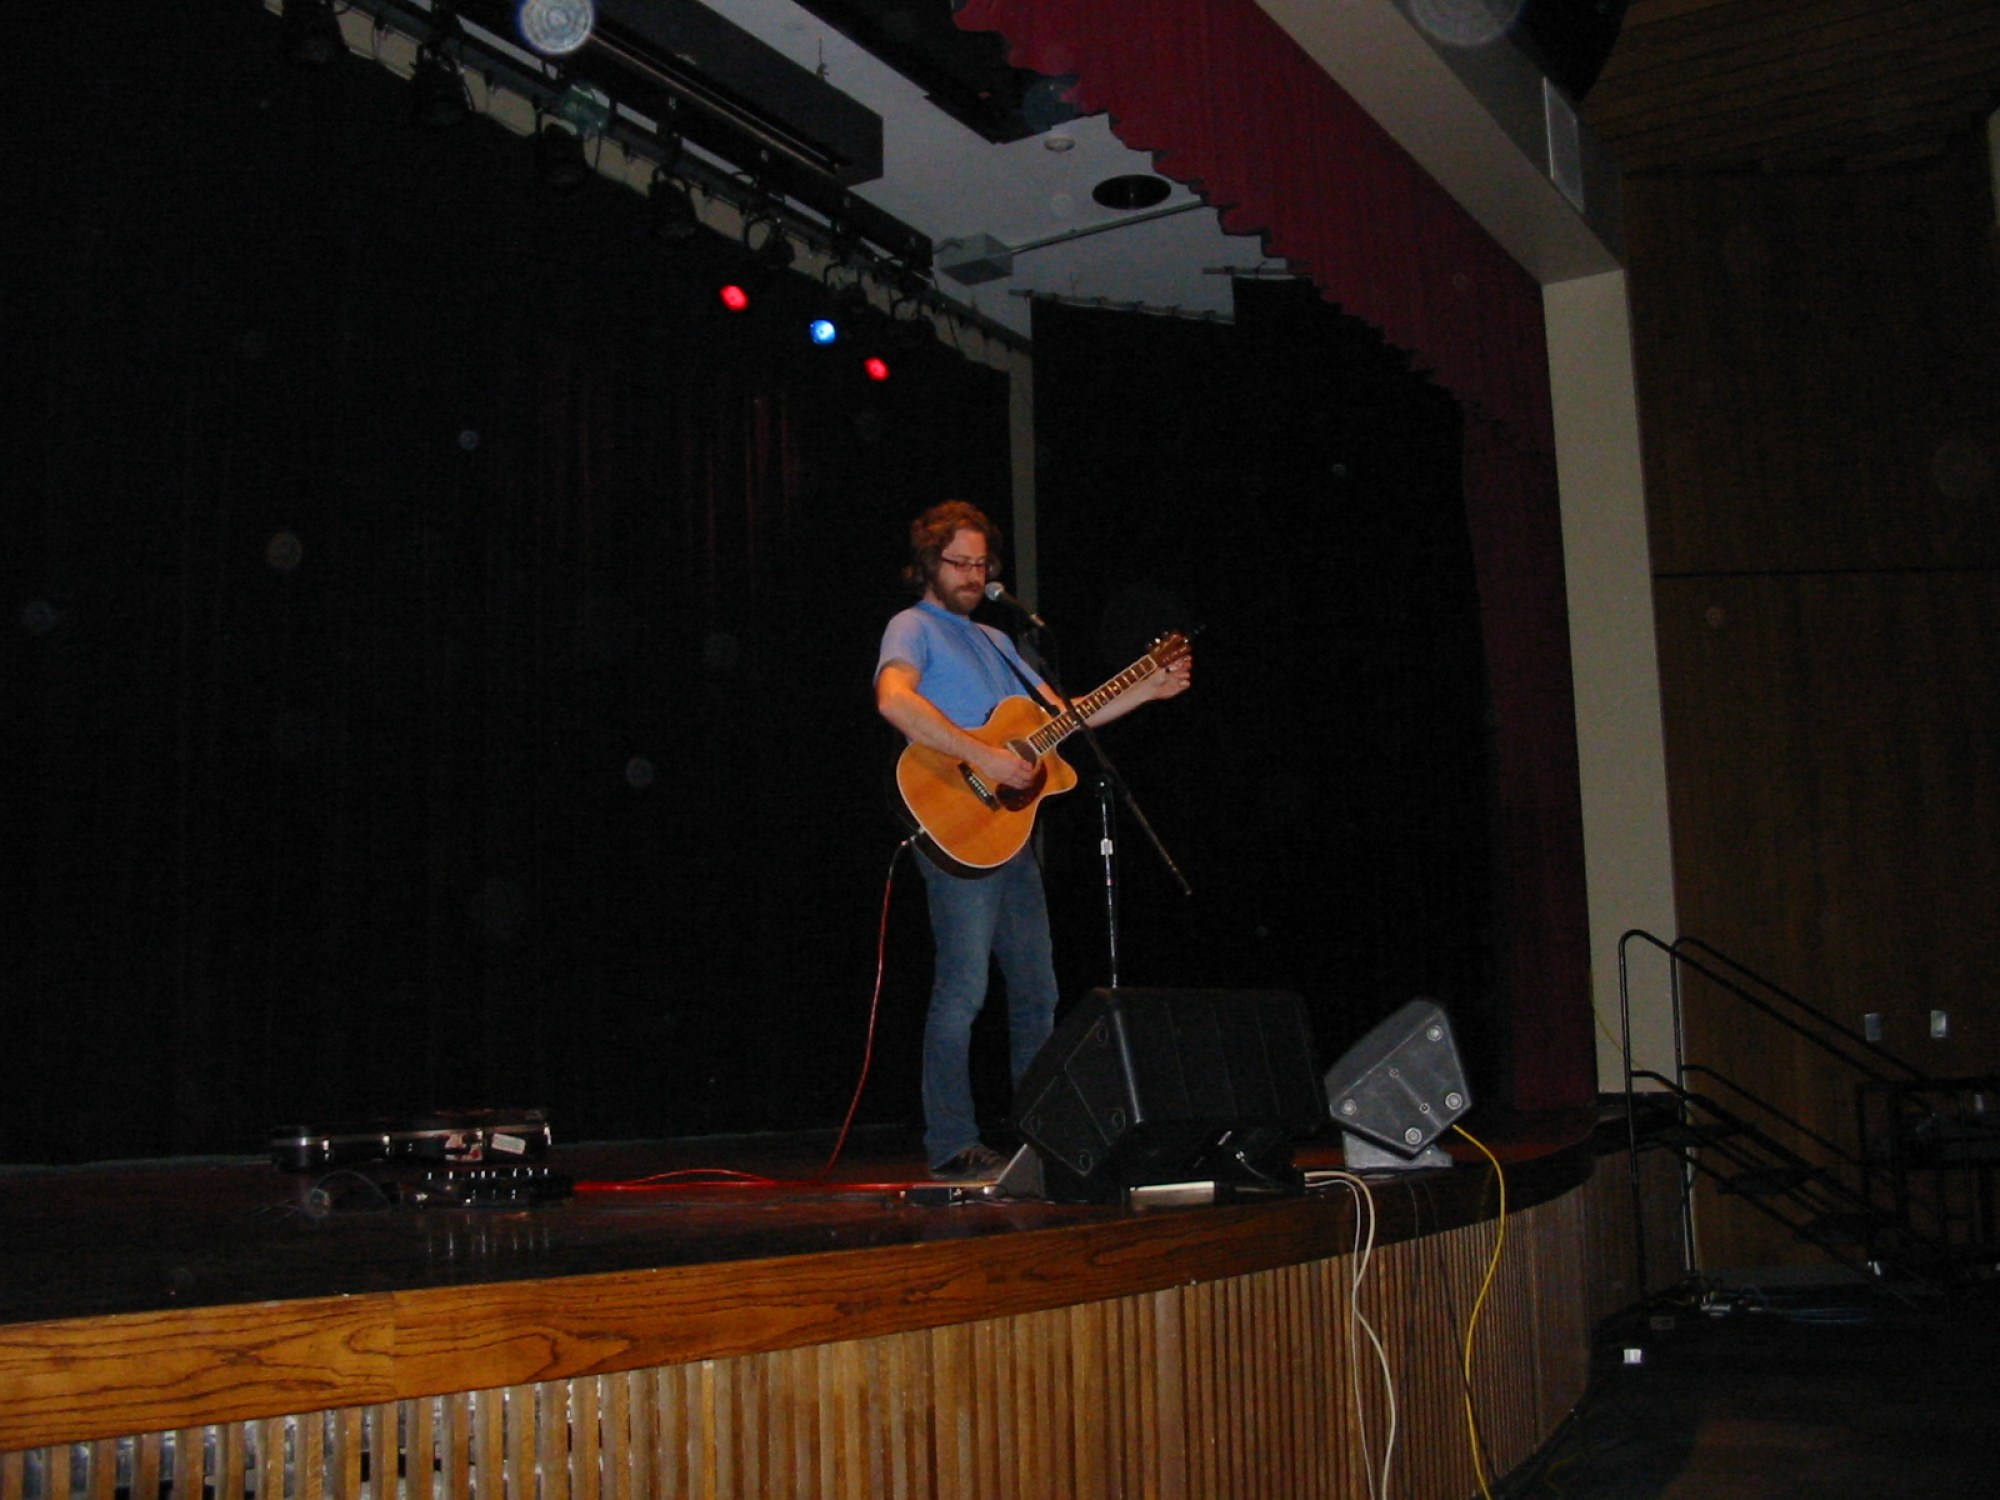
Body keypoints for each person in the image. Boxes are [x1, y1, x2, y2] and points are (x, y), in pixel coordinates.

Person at [875, 501, 1192, 1179]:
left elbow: (1065, 717)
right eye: (959, 563)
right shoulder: (912, 626)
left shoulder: (999, 641)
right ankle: (951, 1142)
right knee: (963, 991)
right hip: (957, 824)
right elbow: (894, 700)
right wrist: (982, 755)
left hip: (1009, 834)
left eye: (981, 563)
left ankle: (1039, 1137)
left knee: (1037, 990)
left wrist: (1147, 687)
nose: (973, 575)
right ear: (928, 564)